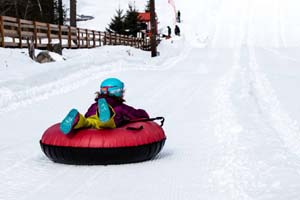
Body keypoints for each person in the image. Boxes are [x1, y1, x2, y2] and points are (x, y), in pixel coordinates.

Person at [60, 78, 149, 134]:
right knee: (106, 123)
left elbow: (87, 115)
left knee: (88, 122)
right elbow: (137, 115)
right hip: (108, 123)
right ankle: (106, 115)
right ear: (117, 92)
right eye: (122, 91)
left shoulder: (94, 105)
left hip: (92, 119)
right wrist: (143, 113)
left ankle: (78, 120)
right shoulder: (120, 107)